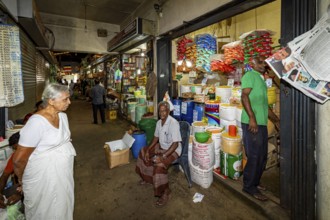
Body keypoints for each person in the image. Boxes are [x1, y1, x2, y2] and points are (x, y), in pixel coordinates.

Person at [13, 83, 76, 219]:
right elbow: (19, 159)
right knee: (44, 210)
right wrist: (20, 178)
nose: (69, 102)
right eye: (65, 99)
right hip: (42, 177)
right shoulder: (36, 123)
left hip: (62, 175)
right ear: (51, 101)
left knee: (62, 206)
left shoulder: (63, 117)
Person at [135, 101, 182, 207]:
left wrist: (163, 156)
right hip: (162, 147)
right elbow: (156, 138)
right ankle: (147, 178)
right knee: (143, 152)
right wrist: (148, 150)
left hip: (173, 150)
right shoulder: (158, 123)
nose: (162, 113)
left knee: (159, 165)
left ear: (168, 111)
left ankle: (165, 192)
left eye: (164, 111)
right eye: (160, 111)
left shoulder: (173, 123)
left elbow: (175, 144)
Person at [241, 56, 269, 201]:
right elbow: (244, 96)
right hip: (251, 122)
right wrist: (252, 118)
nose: (263, 64)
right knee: (254, 155)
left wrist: (276, 120)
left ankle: (256, 182)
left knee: (262, 156)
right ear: (252, 64)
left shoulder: (262, 79)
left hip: (261, 123)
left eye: (264, 62)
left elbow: (264, 104)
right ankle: (249, 186)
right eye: (260, 61)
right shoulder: (249, 75)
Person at [0, 132, 22, 208]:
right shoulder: (15, 157)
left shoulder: (36, 158)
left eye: (17, 148)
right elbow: (4, 176)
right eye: (14, 149)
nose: (15, 152)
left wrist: (20, 195)